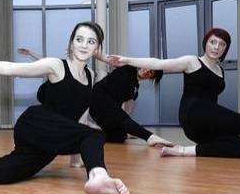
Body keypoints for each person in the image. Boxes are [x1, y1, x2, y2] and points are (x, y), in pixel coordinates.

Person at [0, 21, 132, 194]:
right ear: (71, 43)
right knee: (95, 133)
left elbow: (80, 116)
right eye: (79, 39)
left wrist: (77, 155)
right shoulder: (56, 65)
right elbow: (9, 68)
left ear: (97, 48)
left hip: (52, 140)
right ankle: (99, 177)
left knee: (2, 174)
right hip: (35, 125)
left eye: (90, 41)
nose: (83, 45)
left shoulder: (92, 74)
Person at [108, 28, 240, 158]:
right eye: (213, 42)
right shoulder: (192, 62)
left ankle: (182, 151)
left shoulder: (220, 70)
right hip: (193, 115)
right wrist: (126, 60)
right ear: (205, 44)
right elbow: (158, 63)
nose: (216, 47)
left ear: (226, 49)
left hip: (208, 121)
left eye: (222, 44)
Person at [18, 47, 173, 146]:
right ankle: (150, 137)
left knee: (119, 137)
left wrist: (128, 129)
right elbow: (104, 57)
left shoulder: (135, 89)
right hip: (98, 97)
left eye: (151, 73)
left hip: (105, 109)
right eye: (149, 68)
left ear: (151, 78)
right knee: (115, 117)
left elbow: (125, 110)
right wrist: (89, 49)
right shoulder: (128, 67)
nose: (147, 72)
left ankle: (89, 133)